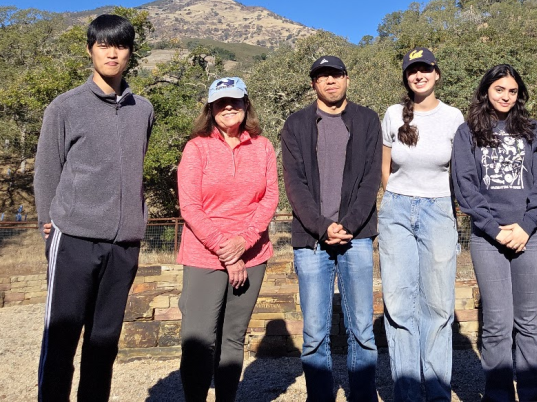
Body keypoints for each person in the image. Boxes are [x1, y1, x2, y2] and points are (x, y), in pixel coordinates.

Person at [33, 14, 154, 401]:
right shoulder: (65, 107)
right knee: (61, 341)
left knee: (104, 345)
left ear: (130, 53)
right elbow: (47, 169)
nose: (112, 53)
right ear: (90, 50)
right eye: (104, 45)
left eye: (120, 45)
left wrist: (136, 222)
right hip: (74, 238)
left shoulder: (143, 109)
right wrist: (46, 221)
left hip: (123, 245)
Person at [280, 55, 382, 402]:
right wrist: (323, 227)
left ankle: (363, 396)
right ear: (314, 84)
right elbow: (294, 184)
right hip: (311, 240)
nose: (330, 81)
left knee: (362, 331)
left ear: (347, 79)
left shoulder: (367, 120)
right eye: (322, 76)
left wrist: (348, 224)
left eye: (335, 75)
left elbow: (370, 179)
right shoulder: (296, 124)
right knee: (314, 334)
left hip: (357, 237)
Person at [452, 64, 537, 402]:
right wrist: (495, 230)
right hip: (488, 239)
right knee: (496, 324)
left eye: (512, 91)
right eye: (499, 90)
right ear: (486, 91)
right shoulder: (468, 132)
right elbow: (465, 186)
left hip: (531, 236)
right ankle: (498, 396)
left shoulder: (533, 130)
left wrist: (526, 226)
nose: (506, 96)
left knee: (530, 321)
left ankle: (534, 395)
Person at [176, 77, 279, 401]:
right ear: (211, 109)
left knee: (233, 338)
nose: (229, 107)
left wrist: (244, 242)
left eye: (235, 101)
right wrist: (228, 251)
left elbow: (270, 198)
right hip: (204, 255)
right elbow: (189, 206)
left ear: (246, 104)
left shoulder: (263, 146)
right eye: (221, 102)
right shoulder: (196, 148)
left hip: (253, 253)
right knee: (199, 339)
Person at [378, 47, 463, 401]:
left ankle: (438, 391)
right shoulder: (393, 114)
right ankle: (408, 392)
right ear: (406, 77)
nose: (419, 75)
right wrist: (395, 197)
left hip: (439, 209)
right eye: (413, 70)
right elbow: (385, 167)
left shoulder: (454, 117)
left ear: (436, 73)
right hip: (397, 210)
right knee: (399, 303)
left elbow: (459, 170)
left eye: (425, 68)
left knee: (438, 304)